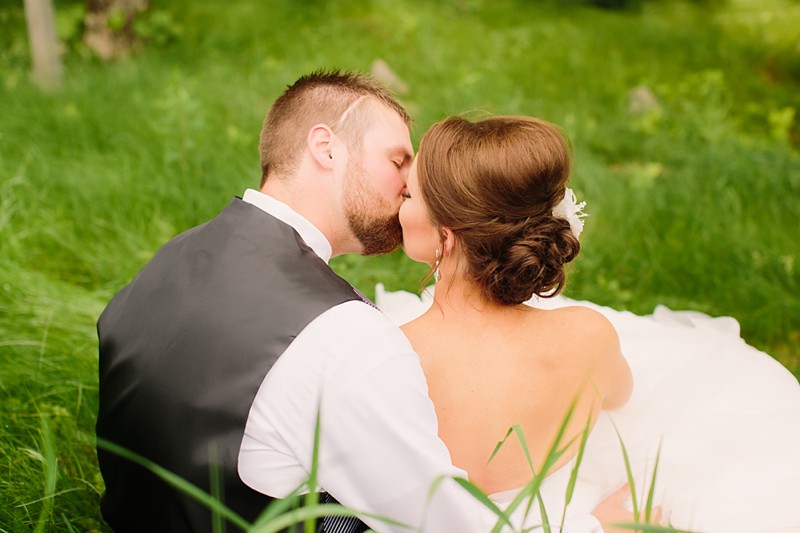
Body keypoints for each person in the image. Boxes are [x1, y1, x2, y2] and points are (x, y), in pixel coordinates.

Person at [96, 71, 629, 533]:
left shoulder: (174, 258)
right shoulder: (343, 338)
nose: (406, 187)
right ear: (326, 148)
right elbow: (443, 522)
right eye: (398, 160)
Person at [378, 114, 800, 532]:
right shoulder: (586, 337)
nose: (400, 201)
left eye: (410, 196)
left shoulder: (388, 354)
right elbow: (621, 397)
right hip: (567, 506)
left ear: (446, 238)